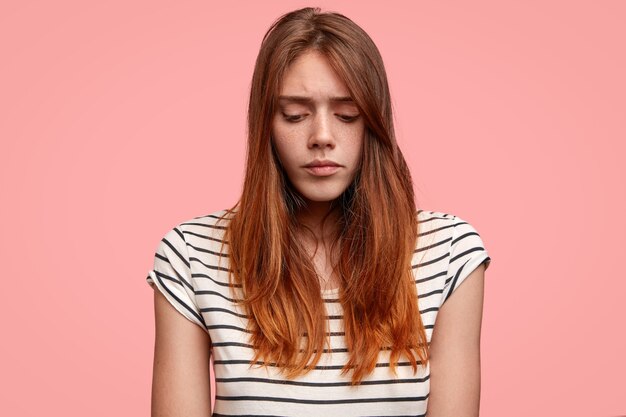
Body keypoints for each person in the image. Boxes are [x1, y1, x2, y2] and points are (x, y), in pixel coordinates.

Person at [146, 6, 491, 417]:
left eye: (347, 114)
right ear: (265, 125)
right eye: (295, 114)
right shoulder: (191, 254)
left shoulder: (450, 253)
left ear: (374, 123)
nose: (322, 137)